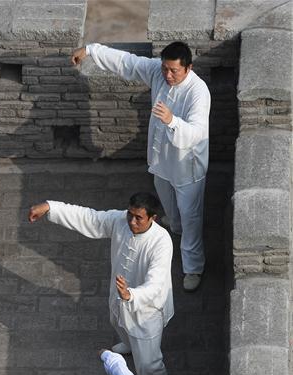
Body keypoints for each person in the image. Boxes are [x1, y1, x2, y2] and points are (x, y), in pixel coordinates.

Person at [71, 41, 210, 292]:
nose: (167, 75)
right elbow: (128, 62)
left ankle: (192, 267)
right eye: (165, 69)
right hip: (161, 163)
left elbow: (197, 134)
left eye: (173, 71)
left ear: (188, 68)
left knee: (192, 219)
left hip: (186, 169)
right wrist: (91, 50)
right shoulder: (159, 72)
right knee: (170, 208)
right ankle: (174, 228)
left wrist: (171, 121)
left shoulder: (198, 92)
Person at [28, 193, 174, 375]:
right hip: (119, 297)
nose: (132, 222)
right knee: (118, 324)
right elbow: (90, 218)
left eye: (138, 218)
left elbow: (156, 283)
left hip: (146, 311)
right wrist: (51, 207)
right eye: (130, 215)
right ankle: (130, 345)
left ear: (152, 218)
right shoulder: (120, 221)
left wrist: (132, 295)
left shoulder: (161, 242)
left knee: (148, 364)